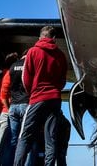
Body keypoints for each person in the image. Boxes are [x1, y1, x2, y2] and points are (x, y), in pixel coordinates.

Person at [14, 26, 68, 166]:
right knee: (51, 138)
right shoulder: (61, 56)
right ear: (54, 38)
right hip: (55, 99)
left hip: (37, 97)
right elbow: (63, 80)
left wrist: (33, 92)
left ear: (40, 37)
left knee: (24, 137)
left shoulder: (32, 52)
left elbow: (26, 78)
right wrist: (55, 89)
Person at [0, 52, 19, 166]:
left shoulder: (3, 74)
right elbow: (4, 95)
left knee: (0, 144)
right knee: (3, 144)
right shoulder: (9, 75)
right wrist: (10, 110)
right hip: (5, 112)